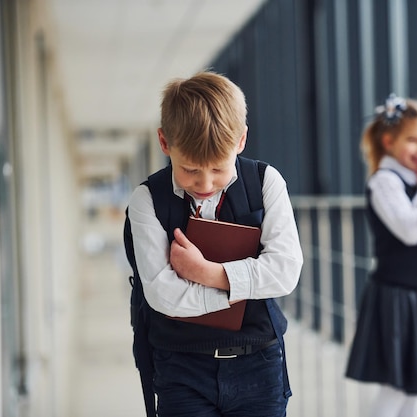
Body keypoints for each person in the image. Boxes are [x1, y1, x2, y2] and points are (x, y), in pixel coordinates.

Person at [126, 70, 303, 417]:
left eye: (218, 169)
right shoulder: (147, 200)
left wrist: (207, 273)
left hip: (259, 362)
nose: (204, 182)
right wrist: (247, 284)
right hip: (181, 368)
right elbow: (164, 296)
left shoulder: (265, 182)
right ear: (165, 144)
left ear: (240, 141)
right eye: (190, 169)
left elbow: (285, 272)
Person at [345, 94, 417, 417]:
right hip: (395, 294)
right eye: (413, 140)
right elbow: (409, 231)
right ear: (389, 141)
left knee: (413, 390)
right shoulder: (384, 181)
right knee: (394, 388)